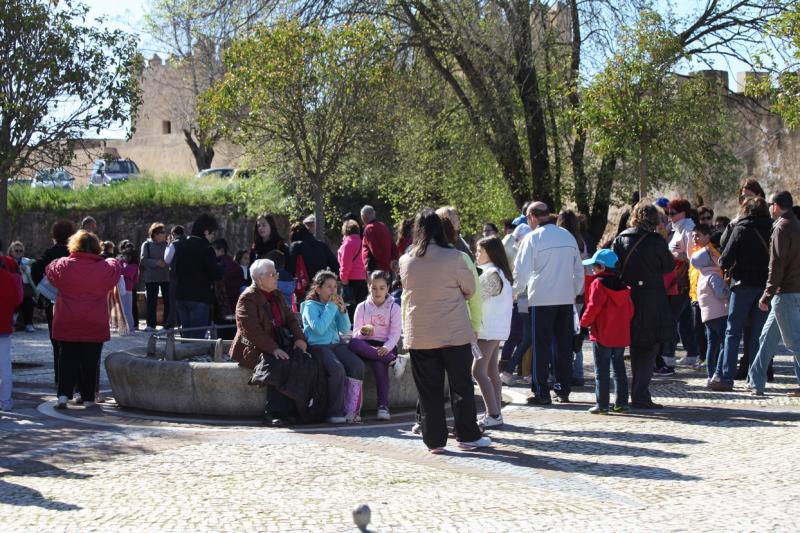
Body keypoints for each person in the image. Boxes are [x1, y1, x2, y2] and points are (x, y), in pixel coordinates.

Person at [400, 209, 490, 452]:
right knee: (461, 386)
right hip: (454, 332)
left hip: (419, 334)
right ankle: (468, 436)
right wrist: (474, 326)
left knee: (429, 390)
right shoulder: (456, 257)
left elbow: (407, 300)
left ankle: (434, 440)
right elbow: (471, 290)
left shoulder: (406, 261)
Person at [513, 202, 583, 404]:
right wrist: (574, 291)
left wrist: (515, 292)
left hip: (542, 298)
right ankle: (562, 388)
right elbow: (578, 268)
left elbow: (522, 272)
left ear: (533, 217)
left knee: (541, 345)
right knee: (563, 345)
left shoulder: (532, 238)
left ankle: (541, 391)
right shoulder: (567, 236)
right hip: (564, 298)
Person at [229, 259, 311, 426]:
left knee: (304, 359)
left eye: (276, 274)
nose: (276, 278)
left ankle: (297, 409)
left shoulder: (277, 294)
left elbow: (291, 318)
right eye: (272, 274)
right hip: (254, 348)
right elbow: (251, 331)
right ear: (259, 279)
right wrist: (274, 349)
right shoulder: (247, 299)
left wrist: (299, 338)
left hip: (279, 342)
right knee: (278, 363)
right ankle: (273, 412)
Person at [46, 230, 122, 409]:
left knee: (67, 359)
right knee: (90, 362)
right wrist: (108, 257)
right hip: (94, 322)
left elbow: (50, 269)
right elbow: (116, 266)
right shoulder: (104, 268)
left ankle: (64, 395)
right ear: (96, 247)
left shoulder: (64, 265)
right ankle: (88, 397)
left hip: (67, 320)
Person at [613, 202, 674, 409]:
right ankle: (640, 393)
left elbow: (615, 266)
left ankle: (630, 393)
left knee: (632, 344)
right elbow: (668, 266)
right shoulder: (656, 241)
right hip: (652, 297)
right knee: (648, 347)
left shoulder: (621, 239)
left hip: (628, 296)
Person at [713, 197, 772, 391]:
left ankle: (726, 378)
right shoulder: (773, 228)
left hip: (742, 285)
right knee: (758, 334)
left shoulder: (741, 228)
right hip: (765, 286)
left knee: (733, 332)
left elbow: (725, 260)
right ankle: (755, 380)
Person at [748, 191, 800, 396]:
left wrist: (767, 294)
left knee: (794, 342)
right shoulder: (796, 225)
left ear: (776, 206)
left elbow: (776, 264)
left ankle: (756, 381)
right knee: (766, 338)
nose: (769, 208)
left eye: (770, 204)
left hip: (784, 293)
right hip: (792, 291)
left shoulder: (781, 227)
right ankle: (756, 381)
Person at [300, 270, 364, 424]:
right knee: (337, 369)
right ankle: (334, 411)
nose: (333, 290)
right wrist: (331, 307)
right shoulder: (309, 306)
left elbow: (346, 329)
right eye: (329, 287)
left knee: (357, 365)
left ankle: (351, 410)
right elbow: (319, 329)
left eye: (335, 287)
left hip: (337, 344)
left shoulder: (333, 306)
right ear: (318, 289)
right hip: (318, 346)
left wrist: (342, 312)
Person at [580, 249, 633, 414]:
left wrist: (583, 323)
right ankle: (622, 403)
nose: (593, 270)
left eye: (595, 266)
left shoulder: (598, 284)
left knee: (601, 370)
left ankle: (602, 405)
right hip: (620, 334)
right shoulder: (624, 286)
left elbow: (592, 307)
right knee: (619, 369)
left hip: (602, 333)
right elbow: (631, 311)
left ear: (602, 267)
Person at [348, 271, 402, 420]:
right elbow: (355, 334)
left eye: (382, 288)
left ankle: (383, 406)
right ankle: (393, 361)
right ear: (368, 287)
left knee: (379, 365)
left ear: (388, 288)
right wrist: (364, 332)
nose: (377, 292)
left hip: (386, 346)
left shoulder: (394, 308)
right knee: (353, 343)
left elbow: (395, 333)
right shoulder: (361, 307)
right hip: (366, 345)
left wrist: (387, 347)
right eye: (374, 288)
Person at [473, 236, 513, 428]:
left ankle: (494, 414)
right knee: (491, 371)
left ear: (490, 252)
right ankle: (496, 412)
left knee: (478, 370)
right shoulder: (498, 273)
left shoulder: (491, 275)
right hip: (496, 328)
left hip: (488, 329)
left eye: (479, 251)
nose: (476, 254)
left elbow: (474, 297)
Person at [31, 220, 75, 386]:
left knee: (56, 341)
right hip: (72, 302)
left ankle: (60, 378)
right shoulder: (73, 253)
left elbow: (35, 268)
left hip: (53, 302)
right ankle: (73, 379)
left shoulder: (50, 253)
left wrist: (44, 287)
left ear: (54, 236)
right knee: (73, 341)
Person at [689, 224, 729, 383]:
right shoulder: (713, 276)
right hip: (719, 313)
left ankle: (709, 373)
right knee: (724, 342)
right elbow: (720, 293)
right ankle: (718, 373)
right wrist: (728, 288)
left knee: (712, 344)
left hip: (707, 316)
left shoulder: (702, 275)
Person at [171, 214, 221, 339]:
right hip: (199, 298)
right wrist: (222, 268)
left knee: (186, 337)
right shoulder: (207, 248)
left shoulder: (180, 245)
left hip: (181, 295)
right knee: (197, 340)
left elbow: (174, 269)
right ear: (205, 232)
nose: (213, 237)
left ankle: (183, 358)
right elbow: (213, 273)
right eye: (212, 234)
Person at [663, 198, 699, 369]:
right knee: (684, 319)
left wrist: (674, 256)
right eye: (668, 213)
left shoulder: (689, 229)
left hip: (682, 281)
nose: (669, 217)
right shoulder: (677, 229)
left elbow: (693, 257)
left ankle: (668, 355)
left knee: (671, 317)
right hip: (677, 279)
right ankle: (692, 353)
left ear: (683, 213)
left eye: (672, 213)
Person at [558, 209, 590, 387]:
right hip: (579, 292)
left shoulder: (562, 241)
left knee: (563, 334)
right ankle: (578, 372)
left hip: (563, 292)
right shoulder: (580, 242)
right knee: (576, 333)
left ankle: (566, 372)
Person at [0, 253, 23, 410]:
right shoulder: (8, 277)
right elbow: (16, 300)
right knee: (5, 365)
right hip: (3, 326)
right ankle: (5, 400)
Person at [140, 223, 170, 332]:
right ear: (155, 234)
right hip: (151, 278)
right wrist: (157, 263)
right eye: (162, 232)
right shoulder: (146, 244)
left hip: (165, 277)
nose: (164, 234)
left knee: (168, 301)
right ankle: (150, 325)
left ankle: (167, 325)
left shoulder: (167, 244)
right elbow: (143, 260)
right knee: (151, 301)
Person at [338, 219, 368, 320]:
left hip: (350, 281)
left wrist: (343, 280)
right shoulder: (363, 243)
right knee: (361, 308)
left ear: (345, 231)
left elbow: (345, 265)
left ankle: (351, 331)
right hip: (363, 280)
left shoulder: (347, 244)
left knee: (350, 309)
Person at [7, 241, 35, 332]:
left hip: (24, 289)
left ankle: (29, 323)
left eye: (20, 251)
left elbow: (31, 276)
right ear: (11, 251)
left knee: (29, 302)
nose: (19, 253)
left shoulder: (27, 261)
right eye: (16, 251)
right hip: (10, 289)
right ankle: (11, 322)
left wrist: (26, 269)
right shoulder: (6, 261)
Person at [361, 205, 399, 273]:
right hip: (388, 267)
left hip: (375, 269)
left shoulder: (369, 229)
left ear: (364, 217)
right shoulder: (383, 226)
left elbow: (375, 250)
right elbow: (393, 245)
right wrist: (393, 261)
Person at [213, 238, 245, 314]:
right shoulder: (234, 265)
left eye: (213, 250)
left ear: (221, 250)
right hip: (235, 306)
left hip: (225, 307)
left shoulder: (221, 265)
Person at [118, 241, 139, 334]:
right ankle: (124, 327)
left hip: (128, 290)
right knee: (123, 310)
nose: (124, 258)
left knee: (128, 311)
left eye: (125, 256)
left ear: (130, 257)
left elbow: (126, 273)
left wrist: (120, 262)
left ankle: (131, 328)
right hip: (123, 289)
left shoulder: (134, 266)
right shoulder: (127, 265)